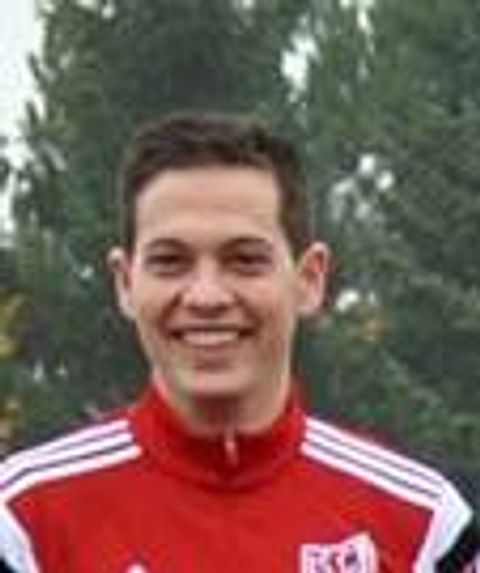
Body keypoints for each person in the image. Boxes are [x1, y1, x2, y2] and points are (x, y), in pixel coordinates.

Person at [0, 111, 478, 572]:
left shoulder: (425, 528)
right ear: (125, 283)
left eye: (245, 260)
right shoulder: (22, 521)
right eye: (170, 262)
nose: (206, 297)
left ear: (310, 279)